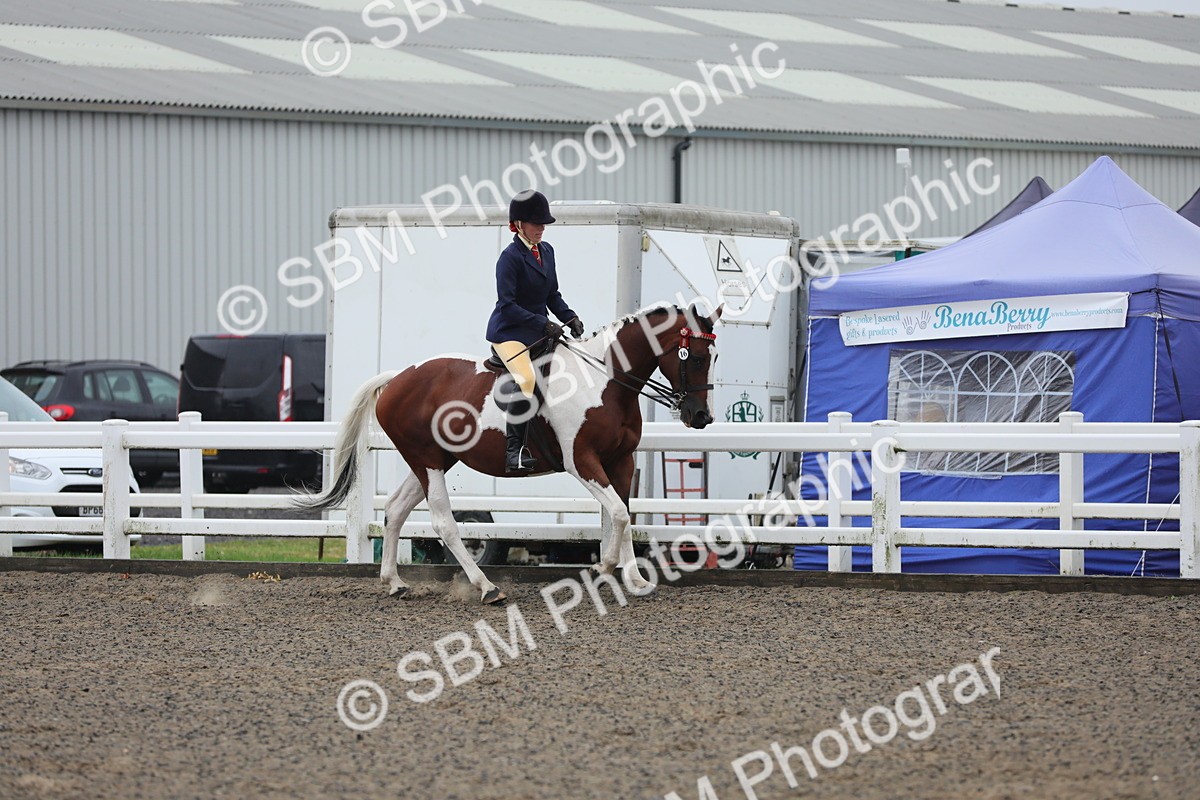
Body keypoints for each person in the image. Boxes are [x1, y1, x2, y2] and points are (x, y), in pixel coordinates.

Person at [486, 190, 584, 472]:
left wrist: (569, 317)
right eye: (536, 224)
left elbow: (552, 294)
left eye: (543, 224)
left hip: (540, 331)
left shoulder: (547, 251)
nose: (541, 228)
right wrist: (542, 323)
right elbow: (508, 306)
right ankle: (514, 452)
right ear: (518, 225)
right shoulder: (510, 258)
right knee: (527, 379)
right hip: (509, 333)